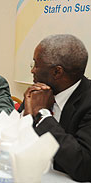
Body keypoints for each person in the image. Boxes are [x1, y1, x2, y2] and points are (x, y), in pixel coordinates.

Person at [19, 34, 91, 182]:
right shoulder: (39, 92)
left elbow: (84, 166)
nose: (32, 70)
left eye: (36, 64)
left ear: (57, 72)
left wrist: (43, 115)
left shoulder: (88, 101)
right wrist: (25, 115)